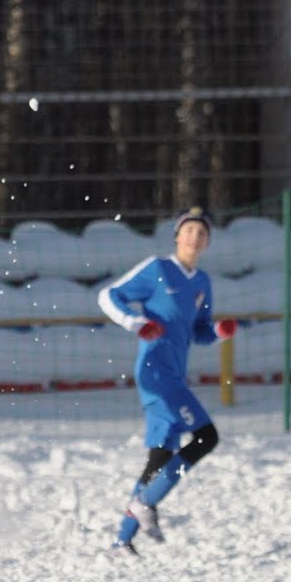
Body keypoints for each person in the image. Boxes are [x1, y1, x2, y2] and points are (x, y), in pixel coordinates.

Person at [98, 207, 237, 557]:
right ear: (177, 236)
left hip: (173, 375)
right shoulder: (158, 269)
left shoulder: (202, 282)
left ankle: (121, 540)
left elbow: (200, 332)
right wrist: (136, 323)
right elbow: (108, 296)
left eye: (202, 233)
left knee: (159, 457)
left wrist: (219, 332)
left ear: (207, 242)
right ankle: (145, 502)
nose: (195, 237)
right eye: (188, 230)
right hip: (155, 373)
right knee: (207, 437)